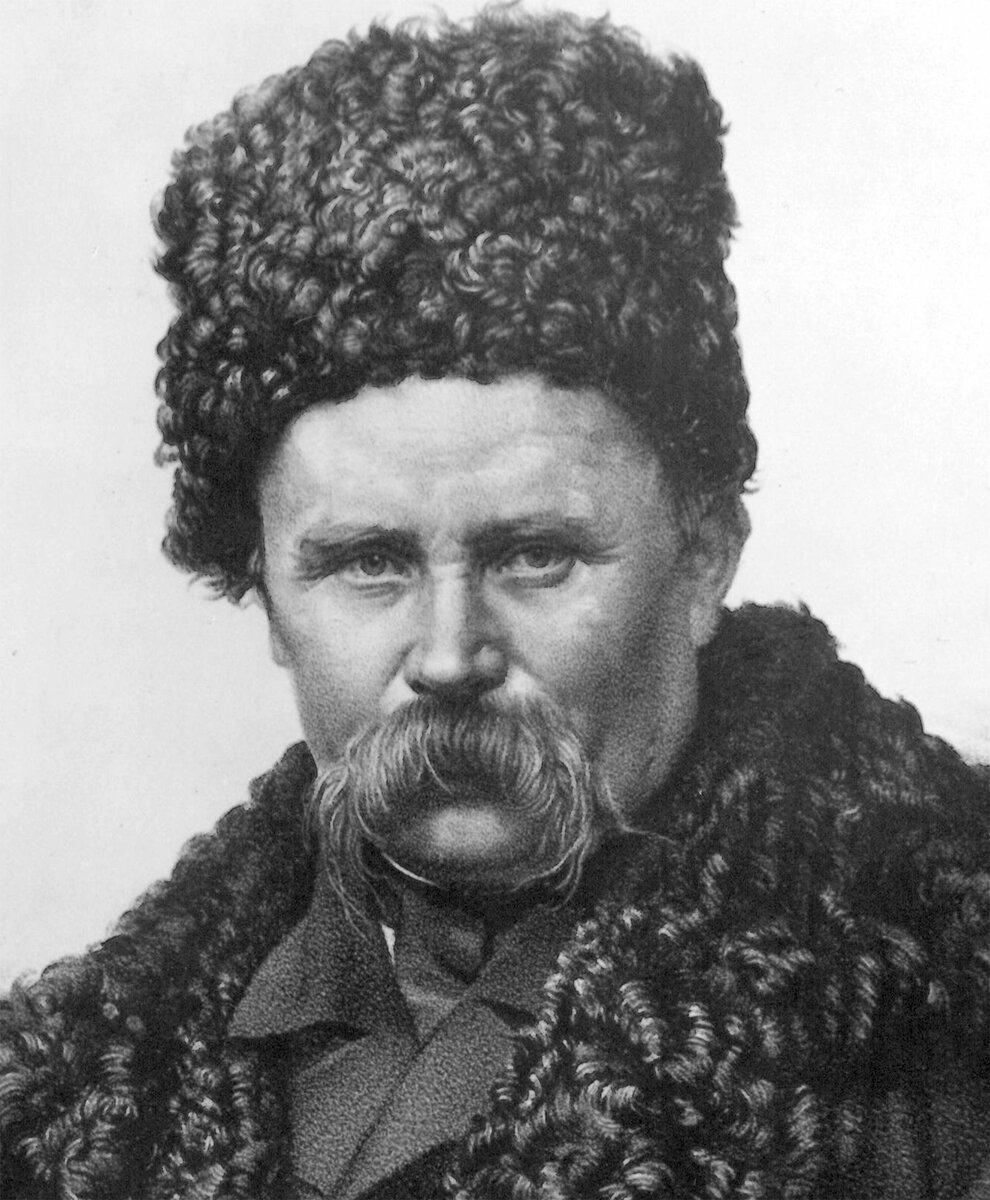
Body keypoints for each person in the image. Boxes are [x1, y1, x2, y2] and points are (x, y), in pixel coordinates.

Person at [1, 9, 987, 1199]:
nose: (450, 653)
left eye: (534, 556)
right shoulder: (73, 1096)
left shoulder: (940, 1053)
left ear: (702, 558)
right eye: (369, 562)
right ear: (263, 592)